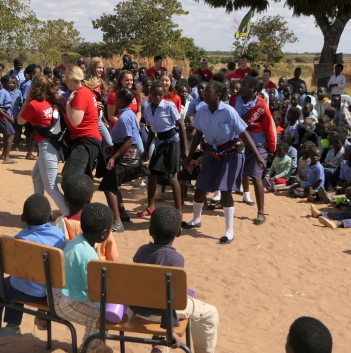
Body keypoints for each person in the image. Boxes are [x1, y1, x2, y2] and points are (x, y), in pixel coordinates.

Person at [0, 194, 66, 344]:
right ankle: (12, 326)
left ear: (24, 218)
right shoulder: (59, 234)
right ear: (50, 216)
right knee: (15, 283)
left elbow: (13, 269)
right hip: (50, 292)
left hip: (26, 291)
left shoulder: (21, 239)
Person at [181, 80, 259, 244]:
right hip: (213, 151)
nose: (204, 93)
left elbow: (244, 133)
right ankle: (196, 219)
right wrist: (189, 155)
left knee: (225, 191)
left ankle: (229, 231)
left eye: (208, 91)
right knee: (200, 186)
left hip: (232, 152)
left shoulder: (229, 111)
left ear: (218, 94)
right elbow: (198, 134)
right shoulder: (202, 110)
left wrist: (258, 156)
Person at [132, 206, 219, 352]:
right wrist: (170, 329)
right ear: (179, 232)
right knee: (210, 313)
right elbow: (169, 298)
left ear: (150, 231)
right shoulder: (175, 259)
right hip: (160, 313)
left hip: (138, 307)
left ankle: (159, 345)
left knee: (157, 292)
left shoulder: (140, 251)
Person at [53, 202, 113, 353]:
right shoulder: (89, 257)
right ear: (103, 233)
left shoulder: (77, 242)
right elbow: (95, 292)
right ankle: (90, 347)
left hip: (58, 295)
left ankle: (96, 345)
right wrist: (106, 308)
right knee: (100, 316)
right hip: (67, 301)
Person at [18, 74, 70, 215]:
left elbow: (20, 121)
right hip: (54, 145)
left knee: (51, 186)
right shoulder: (51, 101)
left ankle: (69, 215)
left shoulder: (34, 105)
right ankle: (40, 213)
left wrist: (27, 99)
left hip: (47, 147)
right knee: (36, 175)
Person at [99, 87, 149, 232]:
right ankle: (123, 214)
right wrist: (114, 147)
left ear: (120, 100)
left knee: (109, 187)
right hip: (125, 152)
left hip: (126, 157)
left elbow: (128, 140)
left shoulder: (126, 117)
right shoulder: (129, 114)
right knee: (114, 184)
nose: (113, 101)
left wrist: (114, 157)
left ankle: (118, 222)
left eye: (115, 98)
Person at [141, 81, 188, 217]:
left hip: (173, 142)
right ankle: (150, 206)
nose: (157, 97)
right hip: (160, 142)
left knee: (172, 177)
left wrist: (185, 148)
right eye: (154, 94)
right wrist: (146, 149)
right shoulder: (148, 109)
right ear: (150, 94)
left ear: (164, 94)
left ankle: (178, 211)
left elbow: (181, 126)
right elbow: (151, 130)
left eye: (160, 95)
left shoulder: (169, 106)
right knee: (152, 174)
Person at [233, 76, 275, 223]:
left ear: (252, 89)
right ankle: (224, 201)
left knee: (256, 177)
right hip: (239, 143)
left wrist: (271, 149)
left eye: (243, 85)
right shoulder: (235, 99)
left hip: (259, 145)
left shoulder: (261, 106)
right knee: (232, 172)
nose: (240, 88)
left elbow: (270, 127)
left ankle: (261, 212)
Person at [54, 174, 119, 261]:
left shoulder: (56, 225)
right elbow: (113, 258)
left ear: (65, 199)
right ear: (89, 201)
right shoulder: (102, 226)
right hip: (96, 271)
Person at [61, 66, 105, 184]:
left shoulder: (81, 93)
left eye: (65, 79)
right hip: (86, 141)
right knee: (80, 180)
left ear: (69, 78)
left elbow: (75, 121)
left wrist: (68, 104)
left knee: (70, 180)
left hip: (86, 142)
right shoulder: (86, 91)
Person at [0, 74, 20, 164]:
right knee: (11, 134)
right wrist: (8, 117)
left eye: (13, 83)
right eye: (9, 83)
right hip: (3, 116)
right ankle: (6, 158)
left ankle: (4, 154)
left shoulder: (7, 91)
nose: (12, 84)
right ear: (4, 83)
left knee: (7, 134)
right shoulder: (2, 92)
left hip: (6, 115)